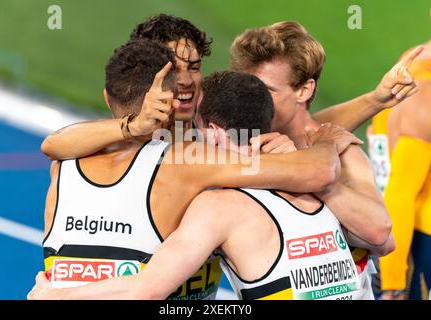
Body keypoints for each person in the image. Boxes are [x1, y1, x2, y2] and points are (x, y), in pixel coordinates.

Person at [35, 38, 357, 300]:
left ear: (107, 96)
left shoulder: (62, 168)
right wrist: (323, 141)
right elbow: (320, 171)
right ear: (174, 101)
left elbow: (52, 144)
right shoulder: (191, 163)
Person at [39, 14, 418, 161]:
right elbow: (53, 144)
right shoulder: (120, 137)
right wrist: (133, 128)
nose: (186, 81)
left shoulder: (213, 128)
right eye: (174, 69)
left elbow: (305, 129)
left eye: (195, 68)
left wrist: (375, 99)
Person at [227, 21, 417, 296]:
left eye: (266, 90)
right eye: (246, 85)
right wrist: (375, 100)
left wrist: (312, 174)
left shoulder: (342, 152)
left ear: (304, 90)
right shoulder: (241, 139)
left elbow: (381, 236)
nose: (250, 98)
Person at [368, 29, 431, 300]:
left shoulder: (410, 61)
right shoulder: (425, 94)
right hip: (418, 242)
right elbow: (401, 192)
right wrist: (393, 283)